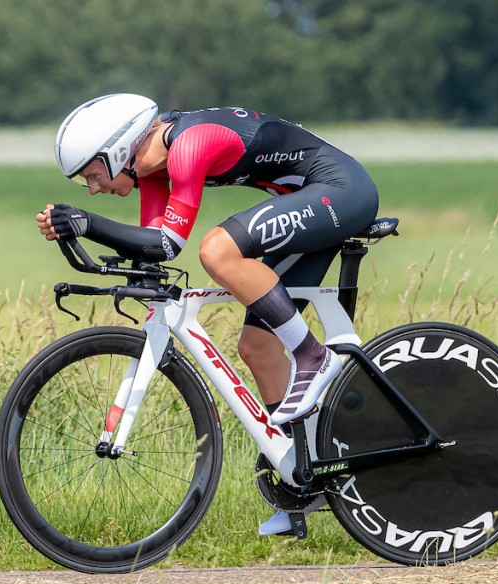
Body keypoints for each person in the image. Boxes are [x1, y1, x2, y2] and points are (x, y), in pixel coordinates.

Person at [36, 93, 379, 536]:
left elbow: (170, 245)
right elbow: (151, 244)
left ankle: (313, 356)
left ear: (119, 150)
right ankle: (305, 481)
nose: (94, 188)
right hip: (307, 201)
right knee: (257, 347)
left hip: (339, 192)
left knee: (217, 249)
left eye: (94, 175)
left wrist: (88, 220)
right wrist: (77, 232)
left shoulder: (188, 145)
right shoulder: (153, 168)